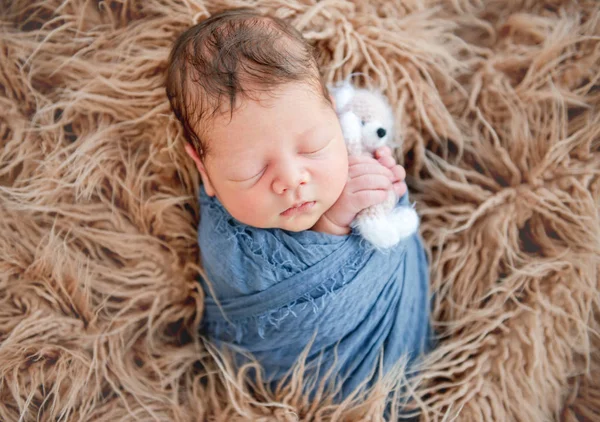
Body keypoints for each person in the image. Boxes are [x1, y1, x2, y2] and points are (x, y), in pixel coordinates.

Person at [165, 8, 433, 400]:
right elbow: (259, 297)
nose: (292, 180)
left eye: (311, 146)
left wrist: (385, 187)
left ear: (332, 112)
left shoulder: (351, 142)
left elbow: (396, 230)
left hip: (412, 360)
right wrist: (331, 225)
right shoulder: (226, 241)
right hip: (317, 390)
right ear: (204, 170)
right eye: (251, 169)